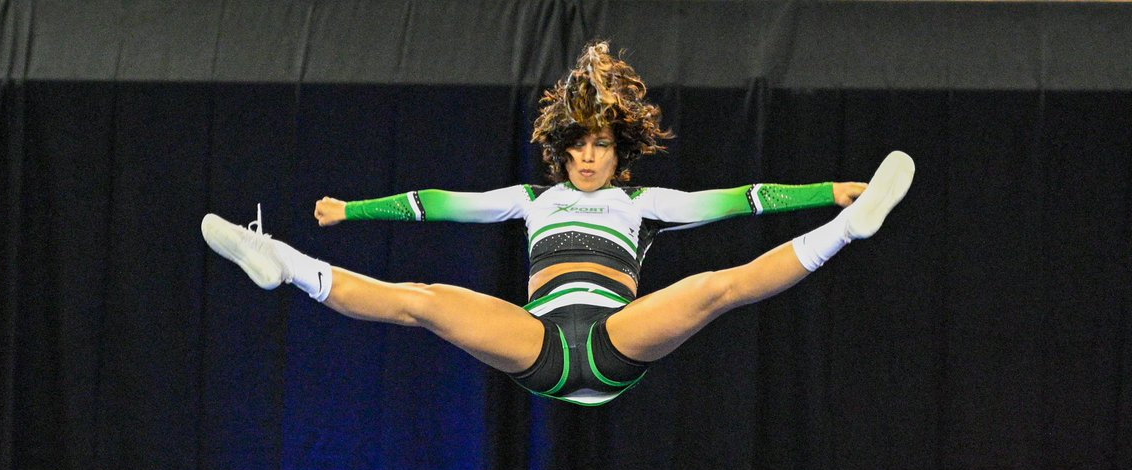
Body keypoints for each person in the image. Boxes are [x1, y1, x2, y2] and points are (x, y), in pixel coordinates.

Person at [200, 41, 914, 407]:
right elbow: (441, 203)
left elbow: (745, 197)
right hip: (539, 342)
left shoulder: (645, 206)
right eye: (577, 148)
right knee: (421, 302)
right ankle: (278, 259)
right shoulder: (530, 199)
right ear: (561, 153)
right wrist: (354, 210)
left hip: (611, 340)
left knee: (715, 288)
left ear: (620, 154)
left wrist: (834, 194)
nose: (588, 158)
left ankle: (852, 231)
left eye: (601, 146)